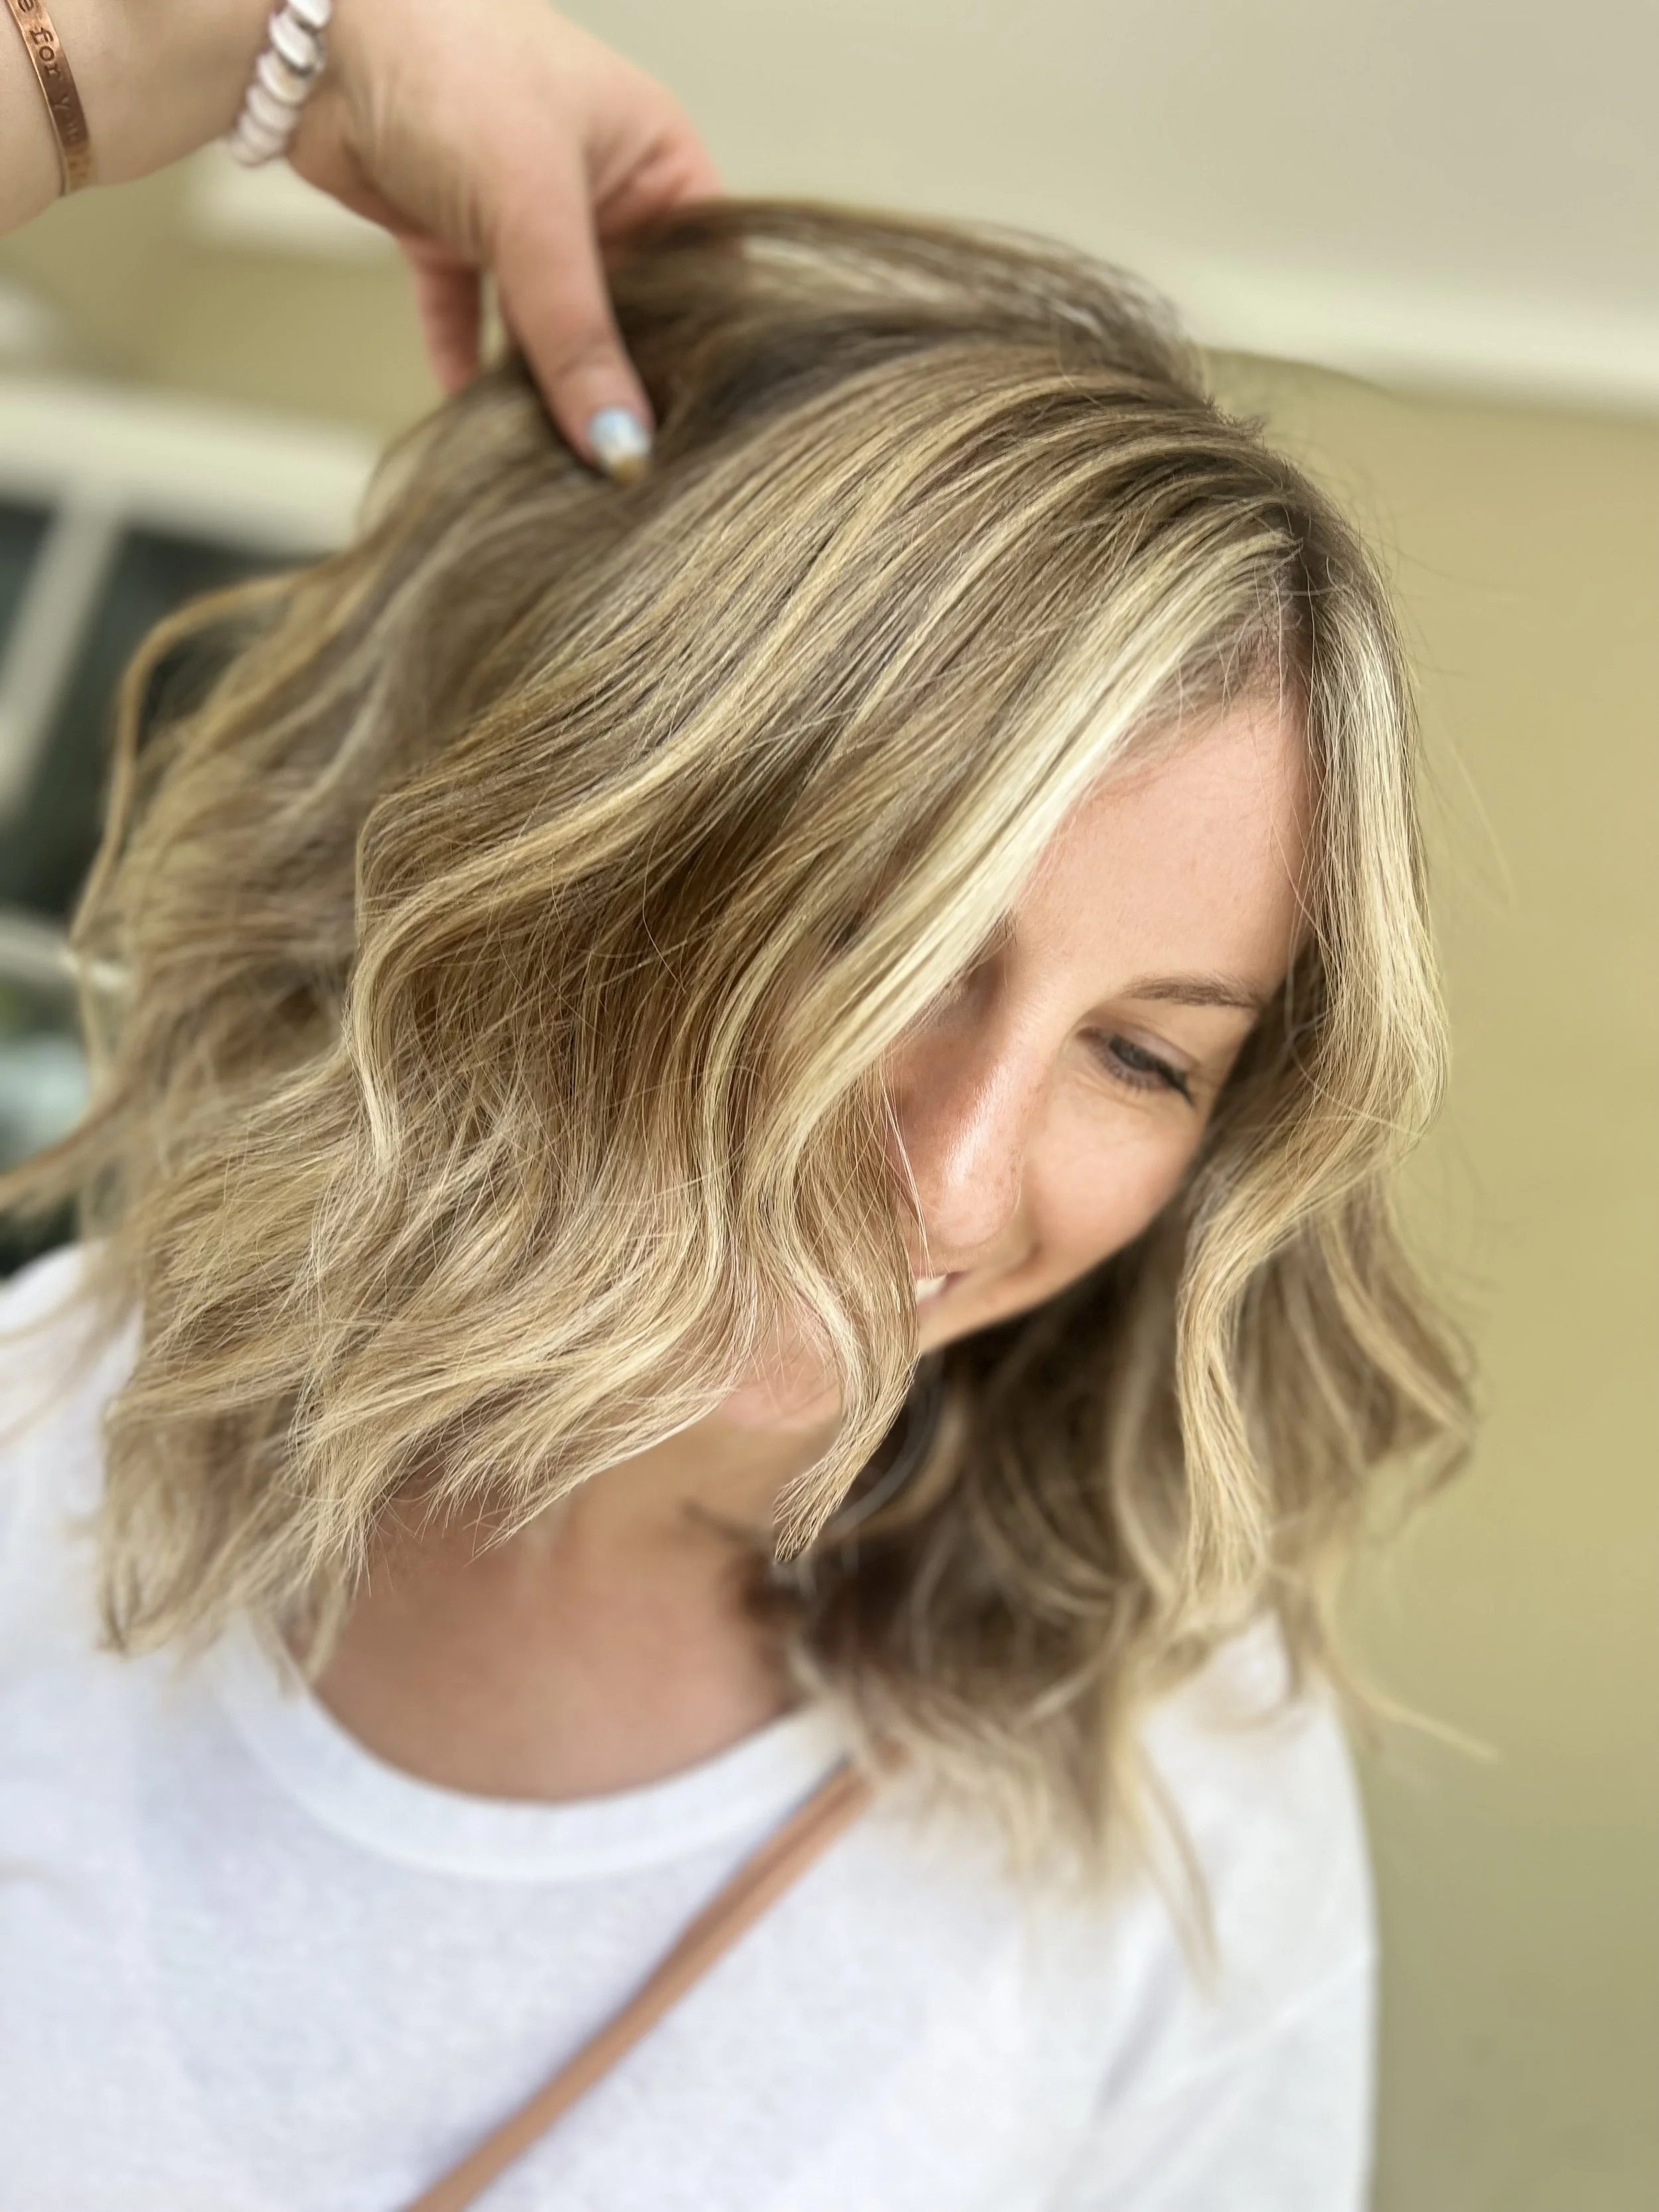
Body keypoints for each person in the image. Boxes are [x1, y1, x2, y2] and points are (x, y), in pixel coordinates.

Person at [0, 14, 1472, 2212]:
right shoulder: (34, 1450)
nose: (957, 1180)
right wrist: (184, 50)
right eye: (888, 936)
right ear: (558, 842)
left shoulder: (1173, 1758)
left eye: (1143, 1054)